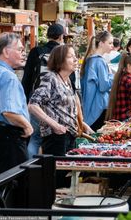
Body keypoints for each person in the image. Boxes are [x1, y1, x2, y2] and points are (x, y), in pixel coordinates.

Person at [28, 45, 93, 188]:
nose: (75, 59)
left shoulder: (67, 80)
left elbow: (69, 108)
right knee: (57, 176)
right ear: (59, 61)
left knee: (65, 174)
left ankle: (61, 205)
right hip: (55, 136)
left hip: (68, 134)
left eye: (75, 55)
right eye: (70, 56)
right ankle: (51, 207)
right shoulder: (50, 78)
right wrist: (54, 125)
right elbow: (33, 105)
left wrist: (84, 125)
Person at [0, 32, 33, 179]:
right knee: (17, 182)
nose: (23, 54)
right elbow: (9, 112)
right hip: (7, 136)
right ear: (6, 51)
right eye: (20, 49)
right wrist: (27, 125)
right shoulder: (7, 76)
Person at [21, 23, 65, 159]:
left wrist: (26, 99)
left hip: (36, 102)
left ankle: (29, 172)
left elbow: (27, 77)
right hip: (57, 105)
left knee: (35, 139)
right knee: (54, 140)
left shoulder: (36, 51)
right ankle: (50, 173)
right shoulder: (64, 53)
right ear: (61, 36)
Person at [80, 31, 114, 131]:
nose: (112, 46)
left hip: (91, 106)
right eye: (110, 43)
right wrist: (113, 76)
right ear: (101, 43)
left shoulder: (90, 60)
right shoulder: (99, 61)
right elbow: (104, 86)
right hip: (99, 106)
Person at [106, 54, 131, 121]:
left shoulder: (121, 77)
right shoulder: (130, 80)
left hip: (119, 117)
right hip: (127, 117)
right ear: (129, 66)